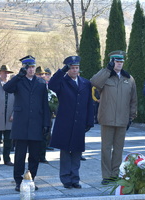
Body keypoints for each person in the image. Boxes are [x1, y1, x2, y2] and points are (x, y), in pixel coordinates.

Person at [3, 55, 50, 191]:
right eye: (28, 67)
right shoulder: (18, 81)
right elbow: (6, 88)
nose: (31, 70)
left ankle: (31, 179)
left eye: (33, 67)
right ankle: (18, 181)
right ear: (24, 68)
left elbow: (45, 105)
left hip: (36, 124)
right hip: (21, 125)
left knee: (34, 156)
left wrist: (46, 124)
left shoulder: (41, 83)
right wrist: (18, 76)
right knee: (20, 156)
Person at [91, 50, 137, 185]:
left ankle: (114, 174)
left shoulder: (129, 79)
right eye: (117, 62)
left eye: (121, 62)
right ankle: (106, 175)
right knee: (106, 148)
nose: (119, 64)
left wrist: (131, 117)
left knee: (118, 148)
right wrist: (107, 70)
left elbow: (133, 99)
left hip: (122, 119)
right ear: (112, 62)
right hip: (107, 118)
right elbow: (94, 82)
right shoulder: (106, 77)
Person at [48, 56, 94, 189]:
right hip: (65, 123)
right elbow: (51, 85)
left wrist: (89, 121)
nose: (74, 70)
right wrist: (61, 71)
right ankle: (65, 179)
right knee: (65, 152)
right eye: (72, 68)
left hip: (79, 123)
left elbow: (89, 104)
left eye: (76, 68)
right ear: (68, 69)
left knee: (77, 151)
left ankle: (75, 178)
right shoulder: (62, 81)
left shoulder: (85, 83)